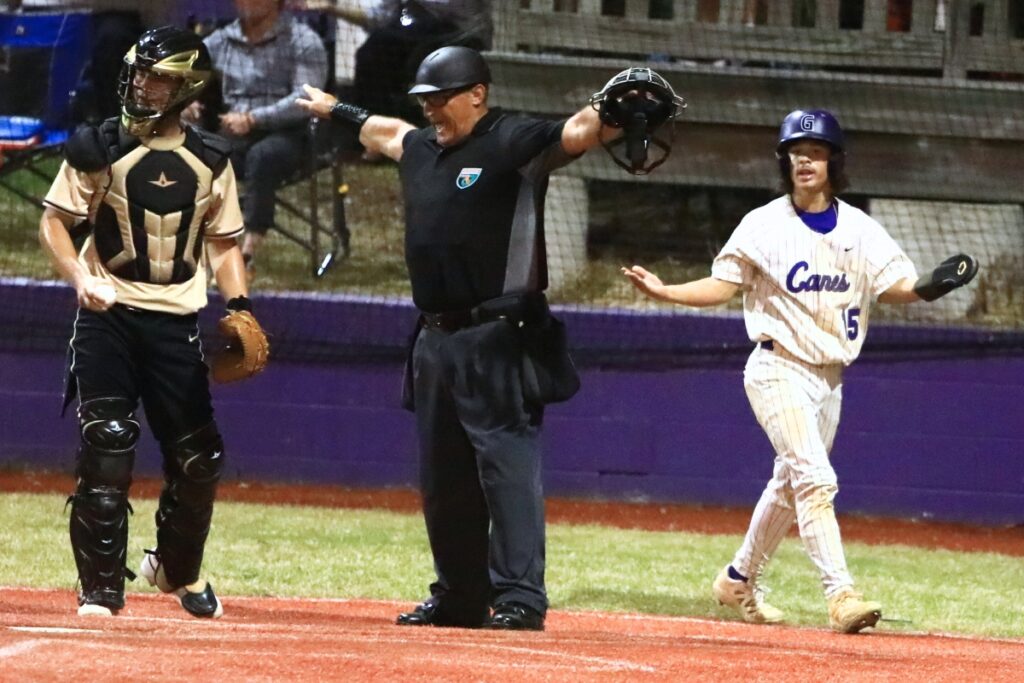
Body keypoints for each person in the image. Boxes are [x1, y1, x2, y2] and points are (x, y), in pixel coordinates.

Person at [297, 46, 643, 631]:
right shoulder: (420, 149)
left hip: (498, 333)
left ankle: (519, 600)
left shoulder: (511, 139)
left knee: (507, 471)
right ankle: (459, 596)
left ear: (477, 93)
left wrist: (611, 111)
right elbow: (386, 131)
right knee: (444, 477)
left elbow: (578, 132)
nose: (432, 109)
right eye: (426, 99)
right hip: (435, 337)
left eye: (441, 97)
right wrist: (337, 109)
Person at [622, 109, 978, 634]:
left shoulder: (860, 229)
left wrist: (932, 285)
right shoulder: (764, 224)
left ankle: (738, 577)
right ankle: (841, 596)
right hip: (776, 366)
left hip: (830, 376)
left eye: (815, 150)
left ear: (834, 159)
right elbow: (723, 285)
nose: (803, 159)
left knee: (790, 484)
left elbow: (896, 286)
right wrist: (667, 291)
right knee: (815, 478)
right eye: (795, 151)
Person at [38, 26, 261, 618]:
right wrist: (80, 278)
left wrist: (239, 308)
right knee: (107, 443)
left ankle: (176, 570)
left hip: (176, 321)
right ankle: (101, 589)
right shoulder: (98, 146)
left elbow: (224, 243)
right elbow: (55, 222)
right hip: (106, 317)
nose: (142, 84)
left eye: (158, 77)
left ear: (186, 88)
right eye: (139, 72)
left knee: (200, 459)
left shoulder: (212, 158)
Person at [200, 0, 328, 270]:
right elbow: (186, 74)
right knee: (196, 151)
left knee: (263, 157)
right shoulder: (220, 41)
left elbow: (307, 98)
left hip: (290, 135)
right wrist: (186, 101)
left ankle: (246, 254)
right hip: (234, 132)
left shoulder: (304, 41)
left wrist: (255, 119)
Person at [328, 0, 492, 121]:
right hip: (416, 31)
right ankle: (372, 128)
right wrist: (331, 8)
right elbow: (378, 17)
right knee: (370, 52)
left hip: (460, 34)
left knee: (406, 56)